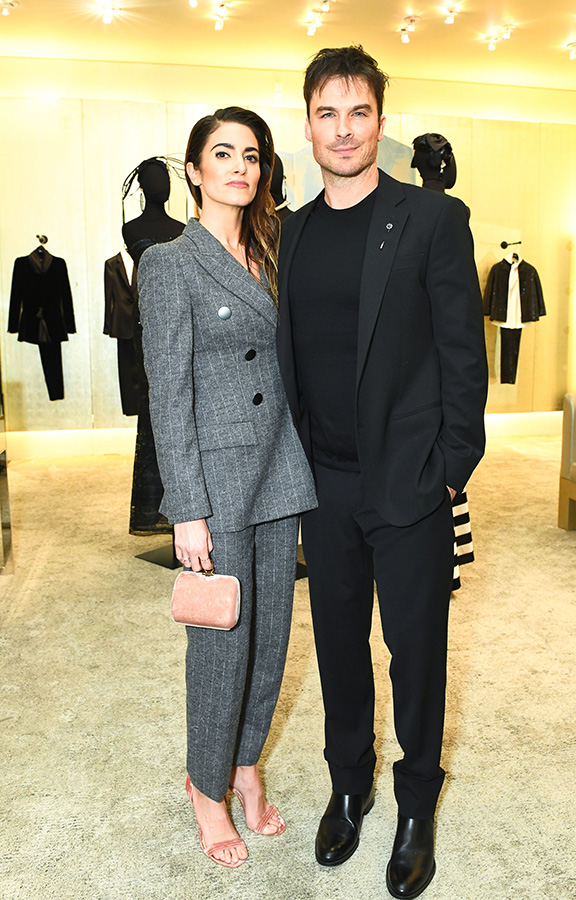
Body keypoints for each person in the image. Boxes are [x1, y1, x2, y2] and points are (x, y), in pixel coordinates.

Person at [276, 47, 488, 898]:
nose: (343, 128)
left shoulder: (432, 219)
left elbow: (462, 356)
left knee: (416, 653)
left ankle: (413, 804)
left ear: (380, 123)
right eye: (327, 113)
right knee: (335, 646)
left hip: (408, 483)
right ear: (309, 127)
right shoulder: (289, 228)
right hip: (320, 484)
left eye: (358, 112)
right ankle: (349, 782)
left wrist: (449, 470)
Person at [138, 107, 317, 869]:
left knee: (271, 638)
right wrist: (187, 509)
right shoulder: (169, 262)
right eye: (222, 153)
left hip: (281, 465)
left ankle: (247, 765)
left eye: (251, 154)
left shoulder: (275, 254)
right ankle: (206, 788)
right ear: (193, 171)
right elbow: (166, 395)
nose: (239, 166)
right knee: (222, 644)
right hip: (216, 476)